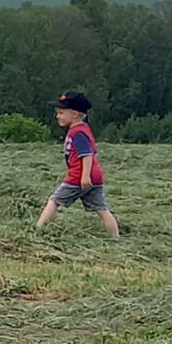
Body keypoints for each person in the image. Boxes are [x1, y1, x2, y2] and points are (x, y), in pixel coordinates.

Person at [36, 89, 119, 238]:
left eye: (61, 113)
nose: (57, 116)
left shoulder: (78, 133)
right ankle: (115, 237)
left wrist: (84, 176)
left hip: (79, 177)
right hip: (95, 177)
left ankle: (38, 230)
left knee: (54, 200)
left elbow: (86, 155)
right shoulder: (82, 129)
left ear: (74, 114)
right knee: (102, 209)